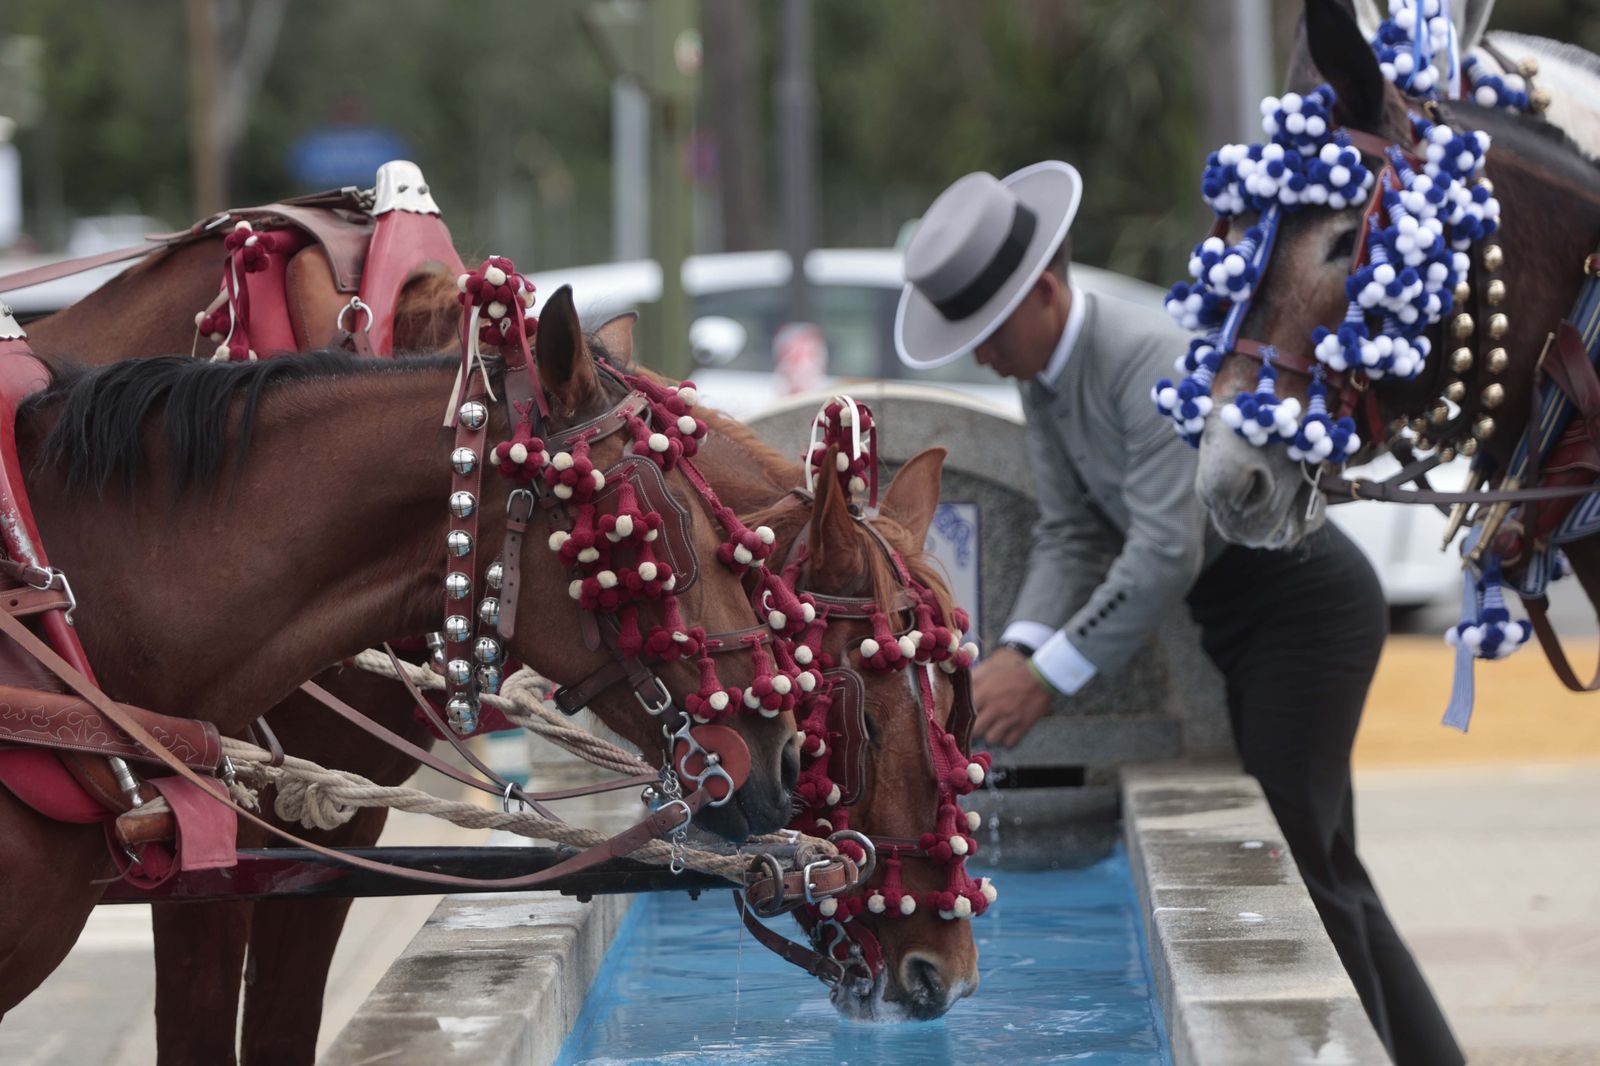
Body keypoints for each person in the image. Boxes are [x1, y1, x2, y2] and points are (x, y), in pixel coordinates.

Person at [894, 161, 1463, 1066]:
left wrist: (1047, 679)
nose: (980, 357)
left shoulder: (1142, 355)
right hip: (1248, 624)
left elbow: (1167, 549)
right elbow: (1071, 530)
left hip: (1307, 614)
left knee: (1305, 872)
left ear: (1043, 292)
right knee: (1330, 868)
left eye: (986, 331)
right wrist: (1016, 645)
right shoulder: (1043, 376)